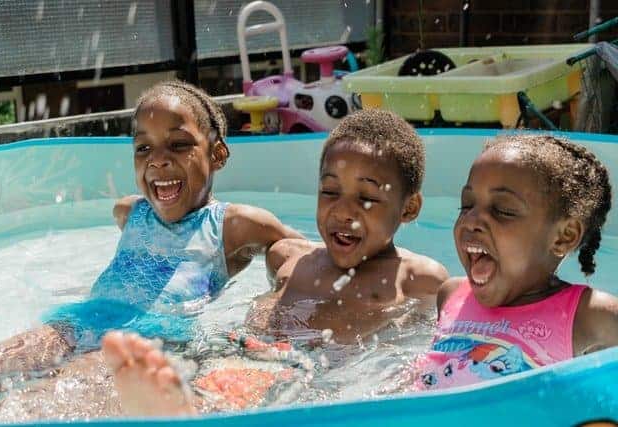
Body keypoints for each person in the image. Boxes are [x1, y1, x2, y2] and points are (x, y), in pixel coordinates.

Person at [101, 109, 449, 416]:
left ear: (409, 208)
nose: (342, 212)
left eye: (367, 198)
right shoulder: (288, 256)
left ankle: (178, 409)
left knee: (251, 384)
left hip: (304, 368)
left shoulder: (417, 278)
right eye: (329, 192)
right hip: (233, 346)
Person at [0, 80, 301, 400]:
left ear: (216, 155)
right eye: (144, 148)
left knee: (42, 399)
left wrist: (276, 294)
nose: (157, 160)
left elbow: (298, 250)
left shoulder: (234, 224)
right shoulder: (129, 212)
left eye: (178, 144)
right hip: (80, 321)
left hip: (147, 338)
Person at [415, 134, 618, 391]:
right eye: (466, 205)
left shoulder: (592, 316)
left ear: (563, 237)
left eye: (503, 210)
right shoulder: (451, 294)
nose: (471, 221)